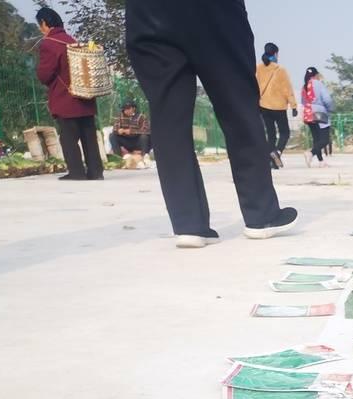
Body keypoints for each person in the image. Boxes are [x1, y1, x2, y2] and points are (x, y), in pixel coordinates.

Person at [125, 0, 298, 249]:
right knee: (238, 104)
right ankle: (261, 216)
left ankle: (188, 225)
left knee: (167, 115)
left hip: (147, 11)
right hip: (213, 10)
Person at [35, 8, 104, 181]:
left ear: (44, 23)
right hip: (86, 96)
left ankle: (76, 172)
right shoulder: (72, 40)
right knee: (89, 135)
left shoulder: (49, 43)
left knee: (68, 137)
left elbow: (45, 74)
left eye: (40, 25)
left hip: (66, 97)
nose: (40, 29)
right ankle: (96, 172)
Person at [256, 42, 297, 169]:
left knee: (271, 134)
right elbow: (287, 89)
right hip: (279, 107)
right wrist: (294, 106)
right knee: (285, 132)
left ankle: (272, 162)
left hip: (263, 106)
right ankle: (277, 152)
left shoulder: (258, 68)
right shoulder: (280, 70)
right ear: (275, 53)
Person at [301, 67, 333, 168]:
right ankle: (311, 153)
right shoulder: (318, 84)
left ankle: (321, 161)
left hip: (308, 113)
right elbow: (327, 99)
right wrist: (330, 108)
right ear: (315, 75)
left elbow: (303, 102)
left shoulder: (304, 86)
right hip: (319, 112)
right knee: (325, 139)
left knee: (316, 139)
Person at [109, 100, 152, 166]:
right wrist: (118, 131)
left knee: (144, 137)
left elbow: (146, 130)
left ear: (133, 108)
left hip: (138, 141)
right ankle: (119, 159)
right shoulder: (120, 116)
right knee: (112, 136)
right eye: (125, 109)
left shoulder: (141, 116)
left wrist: (131, 131)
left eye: (129, 108)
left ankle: (145, 157)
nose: (126, 111)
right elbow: (114, 129)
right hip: (127, 142)